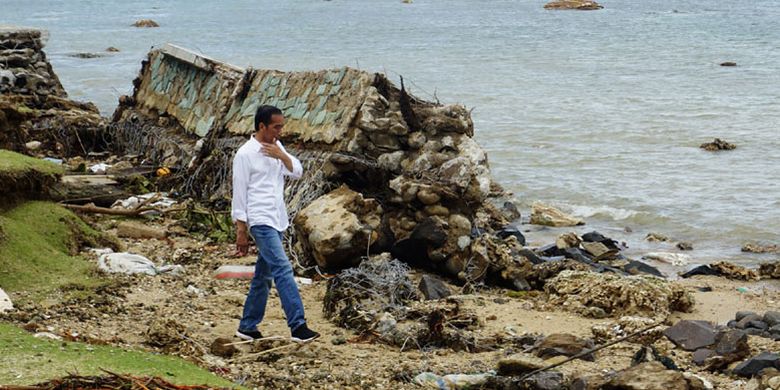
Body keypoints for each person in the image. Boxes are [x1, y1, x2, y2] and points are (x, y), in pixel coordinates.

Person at [231, 105, 320, 342]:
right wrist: (241, 230)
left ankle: (247, 326)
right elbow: (239, 193)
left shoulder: (277, 147)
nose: (280, 131)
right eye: (276, 126)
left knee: (264, 275)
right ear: (262, 126)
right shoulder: (245, 154)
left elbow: (297, 172)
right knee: (283, 268)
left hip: (277, 217)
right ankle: (298, 326)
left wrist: (282, 155)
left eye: (281, 125)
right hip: (259, 220)